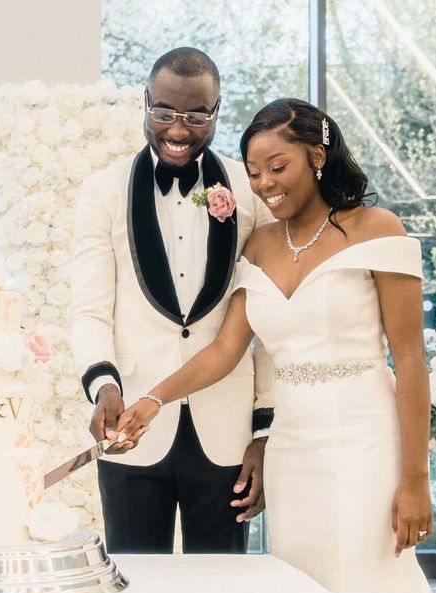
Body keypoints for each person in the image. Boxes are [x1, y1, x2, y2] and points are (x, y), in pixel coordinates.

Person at [116, 98, 436, 593]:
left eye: (278, 166)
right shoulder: (257, 248)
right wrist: (153, 400)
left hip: (366, 441)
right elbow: (224, 352)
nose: (264, 183)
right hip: (293, 450)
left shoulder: (377, 229)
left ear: (317, 155)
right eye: (254, 171)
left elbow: (411, 360)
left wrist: (418, 479)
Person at [69, 47, 275, 555]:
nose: (178, 130)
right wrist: (103, 386)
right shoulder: (102, 192)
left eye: (196, 115)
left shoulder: (250, 192)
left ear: (217, 111)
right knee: (136, 588)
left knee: (222, 591)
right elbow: (90, 309)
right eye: (163, 112)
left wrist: (264, 431)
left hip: (226, 430)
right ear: (145, 103)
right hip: (130, 428)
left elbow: (271, 321)